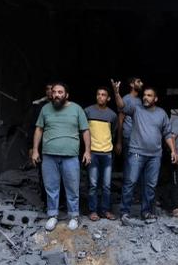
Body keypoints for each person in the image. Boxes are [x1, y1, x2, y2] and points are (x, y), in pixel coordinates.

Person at [112, 80, 177, 223]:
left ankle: (146, 212)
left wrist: (173, 150)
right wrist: (116, 93)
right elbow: (121, 106)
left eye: (149, 95)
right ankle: (124, 213)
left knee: (150, 185)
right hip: (136, 153)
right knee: (130, 182)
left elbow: (167, 133)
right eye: (144, 95)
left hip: (155, 155)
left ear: (155, 99)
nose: (145, 97)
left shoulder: (161, 114)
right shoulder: (136, 109)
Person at [31, 82, 90, 231]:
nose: (56, 94)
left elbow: (85, 131)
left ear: (66, 95)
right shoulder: (45, 109)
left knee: (72, 187)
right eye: (55, 92)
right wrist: (35, 150)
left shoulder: (76, 109)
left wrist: (87, 151)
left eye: (60, 92)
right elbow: (39, 129)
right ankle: (52, 215)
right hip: (49, 156)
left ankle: (74, 216)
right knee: (51, 187)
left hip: (70, 156)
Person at [84, 87, 118, 221]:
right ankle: (93, 211)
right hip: (92, 152)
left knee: (107, 185)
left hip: (107, 153)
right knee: (93, 184)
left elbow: (113, 132)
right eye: (98, 94)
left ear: (108, 98)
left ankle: (105, 210)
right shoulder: (87, 111)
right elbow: (83, 131)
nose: (100, 97)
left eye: (103, 95)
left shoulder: (112, 115)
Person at [117, 77, 144, 162]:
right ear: (132, 84)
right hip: (128, 137)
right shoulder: (126, 99)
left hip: (138, 138)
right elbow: (120, 120)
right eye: (138, 82)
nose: (141, 83)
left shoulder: (140, 100)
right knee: (129, 164)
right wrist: (119, 142)